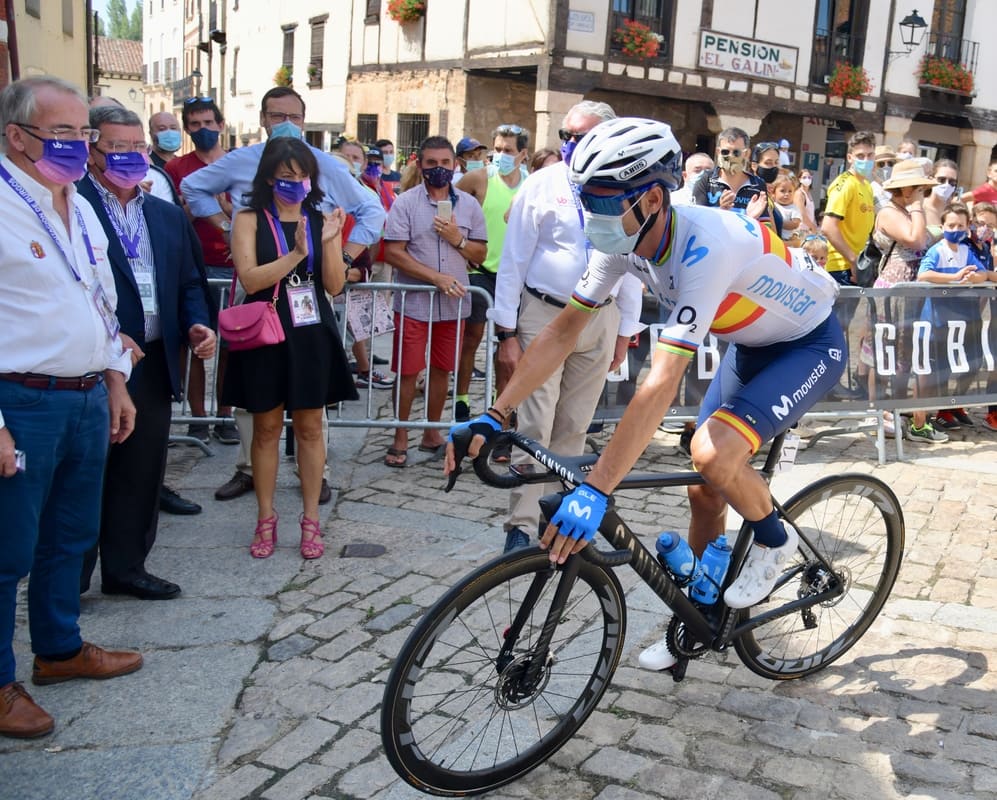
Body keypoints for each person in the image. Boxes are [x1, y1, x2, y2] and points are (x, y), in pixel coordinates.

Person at [447, 117, 845, 674]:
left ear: (652, 198)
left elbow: (658, 382)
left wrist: (597, 488)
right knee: (705, 492)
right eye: (586, 200)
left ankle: (772, 539)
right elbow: (561, 331)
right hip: (750, 347)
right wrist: (496, 411)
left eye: (604, 201)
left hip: (807, 345)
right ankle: (699, 618)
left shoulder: (706, 247)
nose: (593, 217)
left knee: (712, 454)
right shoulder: (623, 240)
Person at [0, 76, 143, 739]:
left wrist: (115, 381)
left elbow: (102, 301)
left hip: (85, 395)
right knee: (7, 551)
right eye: (64, 133)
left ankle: (58, 651)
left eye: (83, 134)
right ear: (17, 136)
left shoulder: (79, 206)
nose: (78, 146)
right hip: (20, 402)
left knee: (69, 536)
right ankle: (0, 685)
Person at [182, 87, 385, 502]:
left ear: (304, 121)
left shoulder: (325, 165)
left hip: (310, 291)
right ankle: (248, 469)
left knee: (312, 400)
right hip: (258, 292)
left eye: (293, 115)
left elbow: (373, 211)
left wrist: (342, 255)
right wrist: (227, 227)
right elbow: (192, 187)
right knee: (255, 399)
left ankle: (317, 473)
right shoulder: (242, 161)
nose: (285, 123)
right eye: (276, 115)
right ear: (263, 118)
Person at [490, 100, 644, 552]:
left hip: (601, 316)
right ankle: (519, 525)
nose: (571, 144)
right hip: (546, 313)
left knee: (575, 425)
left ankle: (556, 519)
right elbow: (514, 260)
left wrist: (624, 331)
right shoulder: (541, 183)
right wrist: (506, 331)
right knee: (535, 424)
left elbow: (632, 261)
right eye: (566, 135)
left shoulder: (626, 185)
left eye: (582, 136)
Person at [78, 104, 216, 599]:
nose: (133, 157)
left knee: (141, 469)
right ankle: (72, 575)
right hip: (95, 362)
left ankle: (127, 567)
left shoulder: (163, 212)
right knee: (89, 471)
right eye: (118, 148)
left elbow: (189, 282)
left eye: (138, 147)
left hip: (154, 360)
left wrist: (197, 323)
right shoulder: (73, 207)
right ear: (93, 152)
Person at [221, 137, 357, 559]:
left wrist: (331, 241)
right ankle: (266, 517)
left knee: (311, 427)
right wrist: (297, 254)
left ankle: (311, 519)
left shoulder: (321, 218)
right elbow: (250, 279)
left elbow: (333, 285)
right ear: (268, 177)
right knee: (265, 428)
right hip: (265, 329)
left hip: (311, 328)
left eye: (301, 176)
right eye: (285, 177)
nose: (294, 184)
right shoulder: (249, 219)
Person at [382, 135, 487, 467]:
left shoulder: (468, 205)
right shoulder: (406, 203)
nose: (439, 169)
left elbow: (480, 253)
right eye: (431, 163)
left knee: (443, 368)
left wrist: (457, 239)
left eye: (445, 163)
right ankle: (400, 437)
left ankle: (431, 433)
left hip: (453, 306)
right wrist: (435, 278)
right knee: (409, 371)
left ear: (455, 165)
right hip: (415, 302)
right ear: (420, 165)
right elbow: (393, 253)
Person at [165, 97, 238, 445]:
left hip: (236, 265)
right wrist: (197, 206)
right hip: (195, 266)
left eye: (209, 123)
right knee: (197, 341)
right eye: (195, 125)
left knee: (231, 346)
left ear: (221, 125)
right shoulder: (177, 168)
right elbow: (174, 219)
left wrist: (229, 212)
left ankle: (225, 415)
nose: (203, 130)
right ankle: (197, 418)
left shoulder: (240, 164)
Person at [454, 124, 529, 429]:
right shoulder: (478, 178)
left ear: (523, 155)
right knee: (470, 339)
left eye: (508, 151)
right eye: (497, 149)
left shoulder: (531, 184)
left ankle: (502, 410)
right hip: (479, 272)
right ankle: (461, 398)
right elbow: (445, 201)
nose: (500, 155)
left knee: (507, 348)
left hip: (514, 278)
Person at [865, 157, 945, 442]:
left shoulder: (913, 209)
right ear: (907, 189)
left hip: (913, 289)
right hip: (893, 288)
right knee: (882, 350)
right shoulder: (888, 211)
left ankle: (896, 410)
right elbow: (915, 239)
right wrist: (917, 209)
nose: (925, 192)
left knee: (904, 355)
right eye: (920, 188)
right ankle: (877, 411)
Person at [918, 202, 994, 432]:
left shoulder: (966, 250)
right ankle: (940, 411)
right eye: (951, 224)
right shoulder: (937, 249)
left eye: (961, 225)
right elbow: (923, 275)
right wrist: (954, 277)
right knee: (942, 367)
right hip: (939, 319)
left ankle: (956, 403)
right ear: (942, 225)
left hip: (965, 317)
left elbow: (981, 272)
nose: (956, 229)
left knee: (970, 362)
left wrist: (975, 278)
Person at [821, 130, 877, 401]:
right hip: (841, 265)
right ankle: (828, 383)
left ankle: (833, 381)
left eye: (870, 155)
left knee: (842, 327)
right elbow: (828, 225)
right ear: (850, 157)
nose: (866, 160)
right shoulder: (846, 184)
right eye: (860, 156)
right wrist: (853, 260)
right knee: (835, 328)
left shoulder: (866, 184)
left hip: (856, 266)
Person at [693, 127, 771, 226]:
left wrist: (751, 219)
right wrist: (722, 211)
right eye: (725, 152)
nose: (730, 156)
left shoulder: (758, 185)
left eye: (736, 152)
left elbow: (766, 229)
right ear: (718, 152)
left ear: (746, 154)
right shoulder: (705, 181)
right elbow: (697, 223)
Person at [925, 159, 960, 237]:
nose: (947, 185)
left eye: (952, 182)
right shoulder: (919, 207)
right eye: (942, 180)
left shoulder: (955, 210)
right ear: (931, 179)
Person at [770, 172, 803, 245]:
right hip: (774, 237)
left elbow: (795, 224)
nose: (787, 194)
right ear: (773, 193)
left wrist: (778, 223)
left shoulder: (793, 208)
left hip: (788, 240)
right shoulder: (773, 206)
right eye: (782, 191)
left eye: (790, 191)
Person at [793, 168, 818, 234]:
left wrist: (814, 225)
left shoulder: (809, 194)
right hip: (800, 230)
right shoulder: (799, 193)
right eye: (804, 177)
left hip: (808, 230)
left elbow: (811, 213)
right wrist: (813, 227)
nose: (807, 179)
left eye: (809, 177)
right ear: (800, 179)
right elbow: (802, 214)